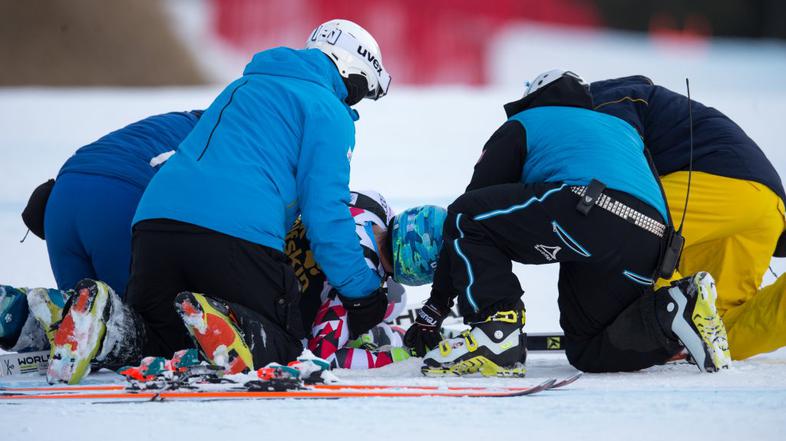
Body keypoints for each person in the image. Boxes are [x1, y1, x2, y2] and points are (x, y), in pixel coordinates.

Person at [46, 19, 394, 384]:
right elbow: (326, 215)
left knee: (160, 341)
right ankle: (229, 323)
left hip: (153, 226)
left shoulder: (242, 86)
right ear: (352, 71)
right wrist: (362, 293)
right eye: (360, 92)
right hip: (235, 233)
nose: (354, 102)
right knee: (286, 343)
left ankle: (103, 322)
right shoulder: (328, 110)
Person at [403, 70, 731, 375]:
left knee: (468, 215)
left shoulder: (527, 121)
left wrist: (435, 309)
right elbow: (653, 195)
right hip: (651, 237)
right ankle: (672, 310)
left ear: (534, 98)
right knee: (589, 349)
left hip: (590, 208)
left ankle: (496, 336)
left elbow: (465, 218)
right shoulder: (622, 130)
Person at [591, 76, 786, 360]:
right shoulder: (646, 100)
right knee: (713, 327)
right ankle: (673, 325)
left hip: (717, 183)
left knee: (616, 221)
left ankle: (658, 319)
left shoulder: (598, 103)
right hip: (768, 206)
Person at [1, 111, 201, 352]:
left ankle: (20, 311)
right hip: (119, 200)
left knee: (79, 311)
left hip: (62, 198)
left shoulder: (181, 121)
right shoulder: (221, 135)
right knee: (143, 328)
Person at [287, 190, 446, 369]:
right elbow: (321, 356)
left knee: (395, 297)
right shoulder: (360, 279)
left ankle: (371, 332)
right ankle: (366, 334)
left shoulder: (373, 203)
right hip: (290, 314)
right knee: (390, 300)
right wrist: (404, 357)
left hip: (271, 256)